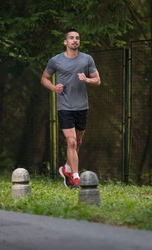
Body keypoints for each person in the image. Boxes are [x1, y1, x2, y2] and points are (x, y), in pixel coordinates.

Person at [41, 28, 101, 189]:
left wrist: (87, 79)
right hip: (64, 106)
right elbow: (44, 78)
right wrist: (54, 88)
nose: (75, 40)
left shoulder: (87, 59)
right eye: (71, 38)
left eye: (77, 38)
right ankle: (75, 177)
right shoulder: (55, 60)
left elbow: (98, 80)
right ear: (65, 42)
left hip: (82, 106)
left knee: (78, 141)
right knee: (72, 141)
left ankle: (66, 168)